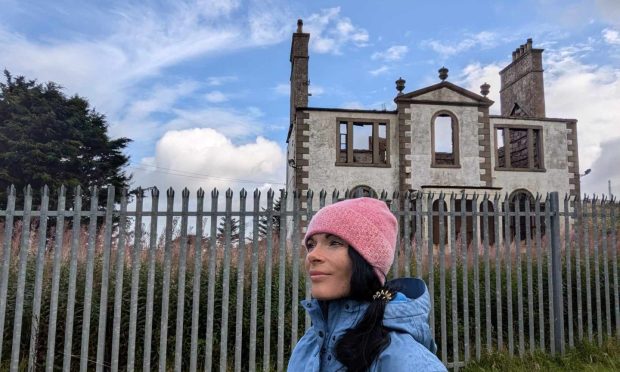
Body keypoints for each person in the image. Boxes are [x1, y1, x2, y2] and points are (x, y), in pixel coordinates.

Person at [287, 197, 447, 372]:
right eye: (311, 245)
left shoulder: (404, 359)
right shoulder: (309, 344)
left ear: (368, 258)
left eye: (334, 242)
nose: (312, 255)